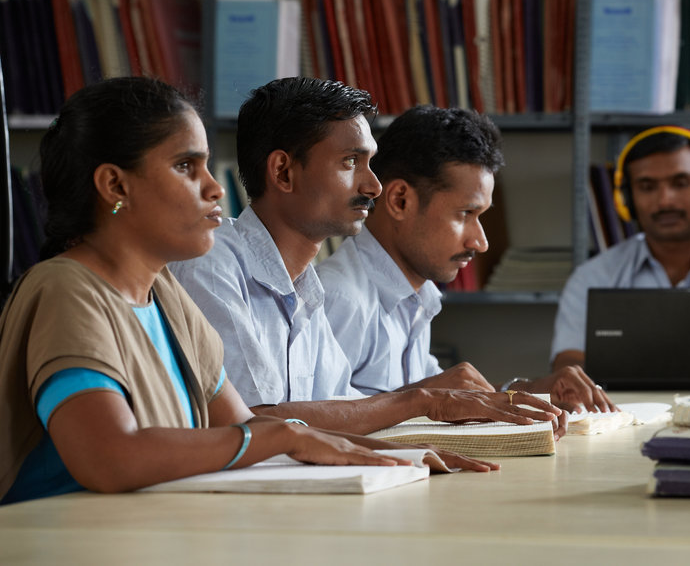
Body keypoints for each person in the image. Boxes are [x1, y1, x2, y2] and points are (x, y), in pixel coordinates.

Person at [0, 77, 404, 505]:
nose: (215, 189)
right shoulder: (66, 289)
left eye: (207, 166)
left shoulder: (165, 294)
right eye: (185, 167)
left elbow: (241, 425)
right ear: (116, 187)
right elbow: (111, 459)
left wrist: (406, 458)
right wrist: (286, 437)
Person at [169, 78, 564, 447]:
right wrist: (422, 401)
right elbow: (246, 426)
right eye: (349, 162)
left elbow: (344, 413)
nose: (373, 186)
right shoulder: (211, 264)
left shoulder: (306, 291)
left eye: (369, 162)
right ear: (283, 172)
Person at [317, 105, 615, 412]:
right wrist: (425, 398)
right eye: (465, 214)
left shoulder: (413, 297)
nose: (481, 242)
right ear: (399, 200)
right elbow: (307, 424)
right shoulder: (340, 298)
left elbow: (440, 394)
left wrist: (527, 389)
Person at [549, 126, 690, 388]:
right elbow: (569, 367)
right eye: (647, 187)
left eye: (680, 183)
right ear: (626, 200)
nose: (665, 201)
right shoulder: (591, 277)